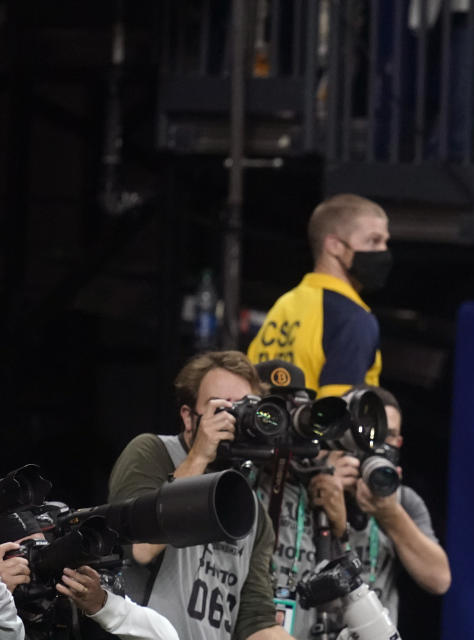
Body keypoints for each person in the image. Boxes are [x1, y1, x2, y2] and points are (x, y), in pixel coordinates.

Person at [108, 351, 295, 640]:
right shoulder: (153, 452)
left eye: (244, 408)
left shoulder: (254, 511)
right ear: (188, 416)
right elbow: (141, 547)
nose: (233, 421)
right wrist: (199, 456)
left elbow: (255, 621)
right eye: (221, 408)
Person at [253, 363, 450, 636]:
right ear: (344, 434)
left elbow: (439, 579)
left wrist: (388, 513)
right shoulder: (304, 478)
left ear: (400, 443)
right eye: (370, 431)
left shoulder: (402, 499)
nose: (378, 443)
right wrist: (321, 472)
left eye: (389, 435)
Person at [247, 194, 391, 398]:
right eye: (373, 241)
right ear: (334, 245)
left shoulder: (283, 306)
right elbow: (337, 415)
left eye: (385, 242)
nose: (383, 251)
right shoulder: (353, 319)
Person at [0, 511, 179, 640]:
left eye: (41, 550)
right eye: (23, 554)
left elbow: (165, 636)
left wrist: (102, 605)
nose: (33, 563)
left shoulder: (64, 594)